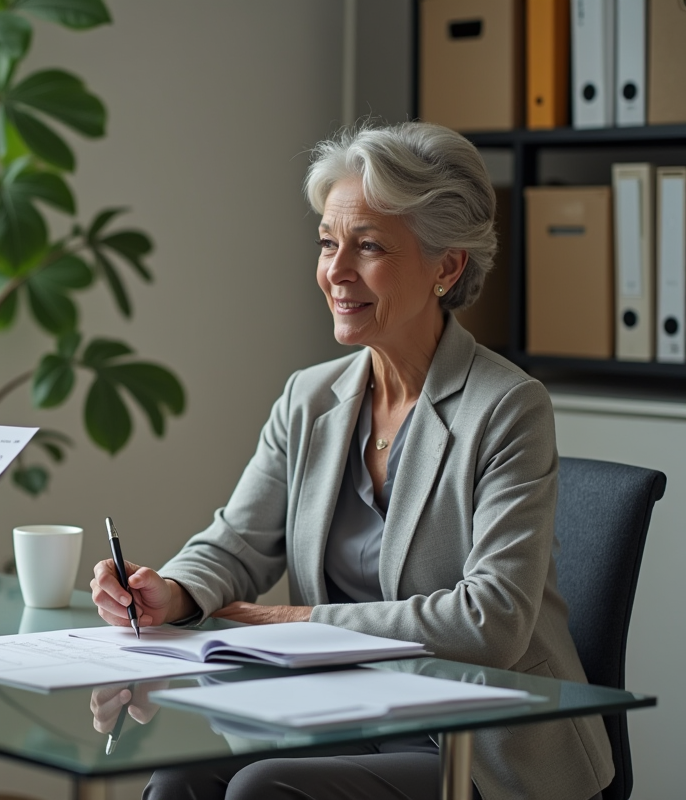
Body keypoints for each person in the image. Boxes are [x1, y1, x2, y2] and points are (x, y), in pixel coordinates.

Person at [89, 121, 611, 800]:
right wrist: (174, 592)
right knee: (177, 781)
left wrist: (301, 623)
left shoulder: (508, 407)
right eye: (328, 243)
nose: (335, 272)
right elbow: (237, 543)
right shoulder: (311, 397)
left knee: (264, 791)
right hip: (341, 717)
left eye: (367, 247)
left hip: (476, 743)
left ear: (446, 267)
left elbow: (493, 621)